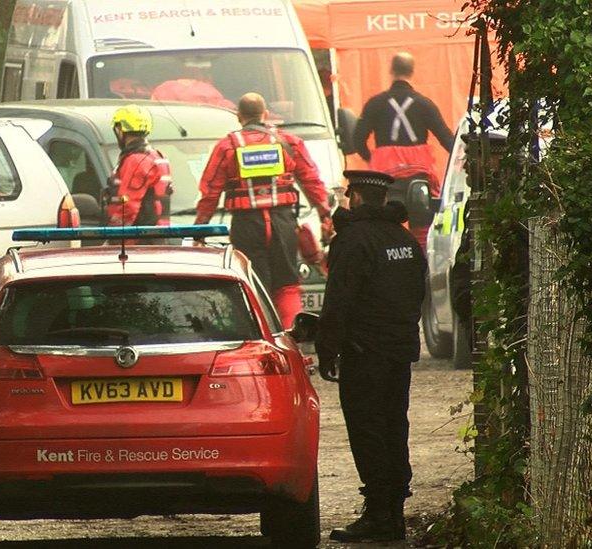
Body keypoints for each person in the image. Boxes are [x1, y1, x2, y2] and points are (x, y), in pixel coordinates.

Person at [316, 170, 427, 543]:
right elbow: (417, 293)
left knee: (368, 431)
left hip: (365, 354)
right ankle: (392, 511)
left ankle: (379, 514)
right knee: (395, 427)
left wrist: (327, 348)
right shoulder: (405, 239)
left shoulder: (352, 240)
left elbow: (339, 300)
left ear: (357, 198)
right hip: (398, 351)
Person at [194, 92, 332, 328]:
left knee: (252, 283)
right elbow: (312, 181)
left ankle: (262, 338)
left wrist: (199, 230)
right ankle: (290, 336)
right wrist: (324, 215)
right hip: (283, 223)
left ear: (239, 117)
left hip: (247, 225)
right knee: (287, 284)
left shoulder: (227, 146)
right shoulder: (288, 143)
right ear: (265, 114)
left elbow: (210, 192)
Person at [352, 52, 454, 246]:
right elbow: (447, 139)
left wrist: (373, 159)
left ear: (391, 70)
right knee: (422, 230)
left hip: (385, 178)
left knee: (385, 228)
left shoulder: (375, 104)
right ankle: (422, 265)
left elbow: (358, 140)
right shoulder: (425, 104)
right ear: (412, 71)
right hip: (419, 177)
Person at [104, 104, 172, 228]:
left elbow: (128, 206)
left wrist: (113, 237)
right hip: (158, 236)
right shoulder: (157, 157)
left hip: (138, 239)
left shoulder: (136, 161)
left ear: (120, 129)